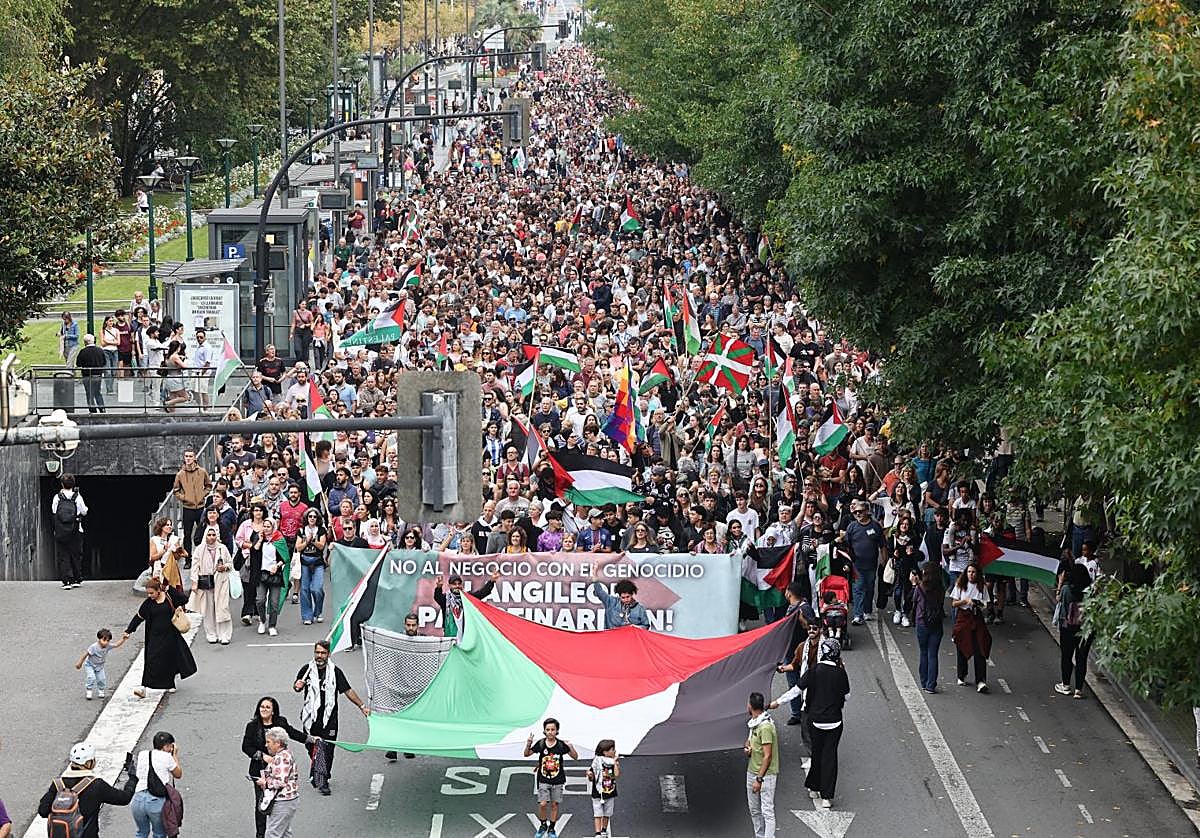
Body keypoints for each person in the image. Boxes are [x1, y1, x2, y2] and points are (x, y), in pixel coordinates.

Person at [293, 640, 371, 795]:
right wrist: (297, 686)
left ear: (328, 654)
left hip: (329, 720)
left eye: (323, 653)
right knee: (312, 747)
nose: (319, 656)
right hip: (311, 719)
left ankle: (323, 780)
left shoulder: (335, 672)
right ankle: (317, 769)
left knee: (327, 749)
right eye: (317, 652)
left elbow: (348, 691)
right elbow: (297, 686)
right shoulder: (306, 670)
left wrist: (362, 706)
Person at [37, 742, 137, 838]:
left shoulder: (58, 784)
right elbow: (124, 798)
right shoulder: (97, 785)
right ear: (89, 763)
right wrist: (132, 778)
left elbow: (43, 811)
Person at [243, 697, 308, 838]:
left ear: (273, 711)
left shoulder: (280, 723)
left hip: (277, 775)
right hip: (259, 770)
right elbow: (246, 747)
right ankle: (260, 834)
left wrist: (311, 739)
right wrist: (263, 756)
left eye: (267, 707)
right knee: (262, 804)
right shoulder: (252, 726)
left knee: (278, 808)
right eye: (262, 706)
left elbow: (293, 733)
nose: (264, 709)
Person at [123, 576, 198, 699]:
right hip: (154, 637)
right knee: (151, 660)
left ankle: (170, 683)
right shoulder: (148, 603)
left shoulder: (169, 597)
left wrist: (170, 588)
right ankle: (144, 687)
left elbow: (184, 599)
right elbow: (139, 617)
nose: (149, 596)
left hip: (170, 636)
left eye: (151, 593)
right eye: (148, 593)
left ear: (159, 590)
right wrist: (129, 630)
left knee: (169, 660)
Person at [797, 638, 850, 809]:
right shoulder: (840, 673)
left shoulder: (815, 671)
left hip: (815, 721)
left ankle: (814, 786)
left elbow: (797, 689)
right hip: (834, 722)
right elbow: (847, 696)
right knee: (830, 758)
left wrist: (777, 702)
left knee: (817, 754)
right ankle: (827, 796)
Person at [524, 717, 578, 838]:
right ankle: (543, 825)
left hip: (558, 780)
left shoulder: (561, 745)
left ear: (557, 731)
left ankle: (552, 828)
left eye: (552, 729)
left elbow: (575, 757)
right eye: (547, 729)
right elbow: (526, 754)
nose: (550, 732)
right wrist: (528, 744)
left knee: (554, 805)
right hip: (543, 779)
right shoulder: (541, 744)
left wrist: (571, 746)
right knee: (543, 804)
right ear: (544, 731)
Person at [951, 561, 992, 693]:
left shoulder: (982, 587)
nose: (971, 574)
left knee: (980, 648)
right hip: (964, 617)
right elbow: (954, 603)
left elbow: (986, 604)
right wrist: (965, 601)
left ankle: (981, 680)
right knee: (962, 645)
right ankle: (961, 674)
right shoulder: (960, 584)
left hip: (977, 618)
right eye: (969, 572)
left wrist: (978, 604)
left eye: (973, 572)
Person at [131, 731, 182, 838]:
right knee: (159, 834)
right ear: (166, 746)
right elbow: (178, 774)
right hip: (155, 801)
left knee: (141, 833)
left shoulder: (142, 754)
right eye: (171, 746)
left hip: (137, 800)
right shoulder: (167, 757)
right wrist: (174, 756)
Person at [1054, 562, 1093, 699]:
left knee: (1067, 656)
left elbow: (1059, 601)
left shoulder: (1066, 589)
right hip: (1085, 629)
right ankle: (1078, 689)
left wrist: (1060, 583)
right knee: (1081, 658)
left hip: (1068, 627)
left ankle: (1065, 685)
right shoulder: (1091, 592)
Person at [190, 525, 234, 644]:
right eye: (209, 535)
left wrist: (224, 567)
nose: (211, 537)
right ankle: (211, 633)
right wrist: (194, 582)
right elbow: (195, 567)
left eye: (213, 535)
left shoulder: (222, 548)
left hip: (221, 581)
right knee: (208, 609)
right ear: (205, 536)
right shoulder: (199, 550)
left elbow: (230, 563)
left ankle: (224, 634)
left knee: (223, 608)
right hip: (206, 582)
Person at [743, 691, 779, 837]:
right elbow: (750, 742)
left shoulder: (765, 727)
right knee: (754, 810)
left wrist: (759, 779)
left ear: (750, 706)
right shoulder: (754, 723)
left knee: (767, 811)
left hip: (765, 776)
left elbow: (768, 756)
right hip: (752, 771)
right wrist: (748, 748)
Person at [257, 727, 301, 838]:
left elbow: (280, 782)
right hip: (288, 800)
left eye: (268, 742)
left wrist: (265, 782)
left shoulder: (281, 758)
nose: (266, 745)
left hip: (283, 801)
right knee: (285, 833)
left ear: (278, 743)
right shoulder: (285, 755)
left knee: (272, 834)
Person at [910, 561, 946, 693]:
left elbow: (912, 601)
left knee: (923, 652)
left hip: (922, 623)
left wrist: (914, 584)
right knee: (933, 654)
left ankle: (924, 682)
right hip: (936, 623)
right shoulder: (941, 589)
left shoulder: (920, 589)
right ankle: (931, 685)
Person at [172, 449, 211, 562]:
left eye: (190, 456)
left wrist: (202, 494)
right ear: (184, 458)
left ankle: (203, 557)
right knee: (187, 535)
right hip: (187, 508)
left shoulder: (202, 471)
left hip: (200, 507)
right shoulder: (180, 474)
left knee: (202, 533)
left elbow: (208, 485)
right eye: (186, 456)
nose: (188, 458)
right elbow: (176, 490)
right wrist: (184, 498)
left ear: (194, 458)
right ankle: (188, 559)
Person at [432, 572, 499, 637]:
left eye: (459, 584)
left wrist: (492, 581)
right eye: (454, 584)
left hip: (466, 634)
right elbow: (438, 597)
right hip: (450, 634)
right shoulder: (445, 599)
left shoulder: (467, 597)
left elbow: (481, 593)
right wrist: (438, 587)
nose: (457, 586)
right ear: (449, 586)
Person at [51, 473, 88, 589]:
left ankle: (67, 581)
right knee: (76, 554)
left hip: (61, 531)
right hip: (76, 530)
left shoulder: (57, 497)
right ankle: (77, 579)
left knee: (63, 555)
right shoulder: (77, 497)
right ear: (73, 484)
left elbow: (54, 511)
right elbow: (84, 512)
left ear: (62, 484)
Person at [296, 509, 329, 625]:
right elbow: (298, 547)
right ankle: (307, 616)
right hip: (305, 562)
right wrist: (306, 541)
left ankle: (318, 612)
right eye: (310, 516)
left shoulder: (321, 530)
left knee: (317, 588)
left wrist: (313, 540)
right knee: (305, 589)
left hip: (318, 562)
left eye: (314, 516)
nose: (312, 518)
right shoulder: (301, 530)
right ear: (307, 518)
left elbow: (321, 546)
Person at [75, 627, 125, 700]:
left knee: (102, 679)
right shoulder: (94, 647)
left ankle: (101, 690)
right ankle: (89, 690)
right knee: (91, 677)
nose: (106, 642)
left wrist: (123, 639)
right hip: (90, 665)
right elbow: (85, 654)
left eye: (108, 640)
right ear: (99, 639)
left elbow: (117, 645)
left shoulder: (108, 646)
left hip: (100, 666)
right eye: (104, 640)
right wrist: (80, 663)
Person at [587, 739, 620, 838]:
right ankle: (597, 833)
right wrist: (590, 775)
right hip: (598, 792)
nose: (614, 751)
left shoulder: (613, 763)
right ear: (605, 752)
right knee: (597, 814)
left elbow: (616, 775)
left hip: (610, 791)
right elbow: (592, 777)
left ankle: (604, 830)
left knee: (607, 813)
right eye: (612, 749)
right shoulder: (597, 762)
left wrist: (615, 763)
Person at [75, 334, 108, 412]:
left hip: (87, 375)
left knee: (89, 394)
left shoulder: (83, 351)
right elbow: (104, 362)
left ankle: (92, 410)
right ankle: (102, 408)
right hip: (98, 375)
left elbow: (78, 364)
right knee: (98, 392)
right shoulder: (100, 350)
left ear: (85, 342)